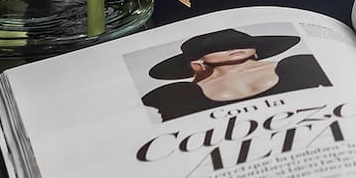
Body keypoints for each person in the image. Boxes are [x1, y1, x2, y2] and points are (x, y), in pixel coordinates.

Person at [141, 27, 329, 122]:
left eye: (239, 43)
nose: (233, 48)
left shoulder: (301, 64)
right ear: (197, 59)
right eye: (217, 48)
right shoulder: (178, 94)